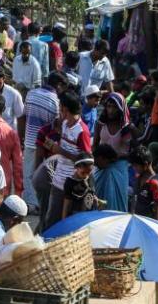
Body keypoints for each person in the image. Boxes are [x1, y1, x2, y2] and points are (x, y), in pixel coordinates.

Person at [43, 91, 93, 230]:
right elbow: (66, 148)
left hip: (72, 185)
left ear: (65, 109)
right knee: (52, 219)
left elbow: (87, 162)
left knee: (63, 223)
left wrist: (60, 151)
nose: (59, 110)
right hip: (58, 180)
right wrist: (54, 146)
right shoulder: (65, 124)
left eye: (60, 107)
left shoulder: (82, 131)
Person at [18, 72, 64, 215]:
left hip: (30, 140)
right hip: (46, 144)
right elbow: (56, 126)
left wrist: (21, 137)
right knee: (44, 173)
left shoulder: (31, 94)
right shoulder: (55, 101)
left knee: (28, 174)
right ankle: (39, 203)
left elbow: (23, 118)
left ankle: (30, 203)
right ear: (59, 85)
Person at [61, 153, 101, 219]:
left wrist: (96, 199)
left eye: (89, 172)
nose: (86, 175)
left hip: (89, 214)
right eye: (83, 173)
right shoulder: (70, 182)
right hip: (76, 216)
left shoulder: (90, 177)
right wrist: (63, 221)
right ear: (76, 167)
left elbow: (91, 192)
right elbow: (66, 204)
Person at [93, 143, 130, 213]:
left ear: (102, 159)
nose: (96, 165)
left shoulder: (113, 171)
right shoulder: (98, 168)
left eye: (97, 163)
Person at [129, 146, 158, 219]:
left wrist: (156, 225)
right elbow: (134, 199)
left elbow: (157, 207)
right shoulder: (138, 177)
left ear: (146, 165)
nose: (134, 168)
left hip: (148, 220)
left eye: (136, 166)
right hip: (136, 218)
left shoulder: (154, 182)